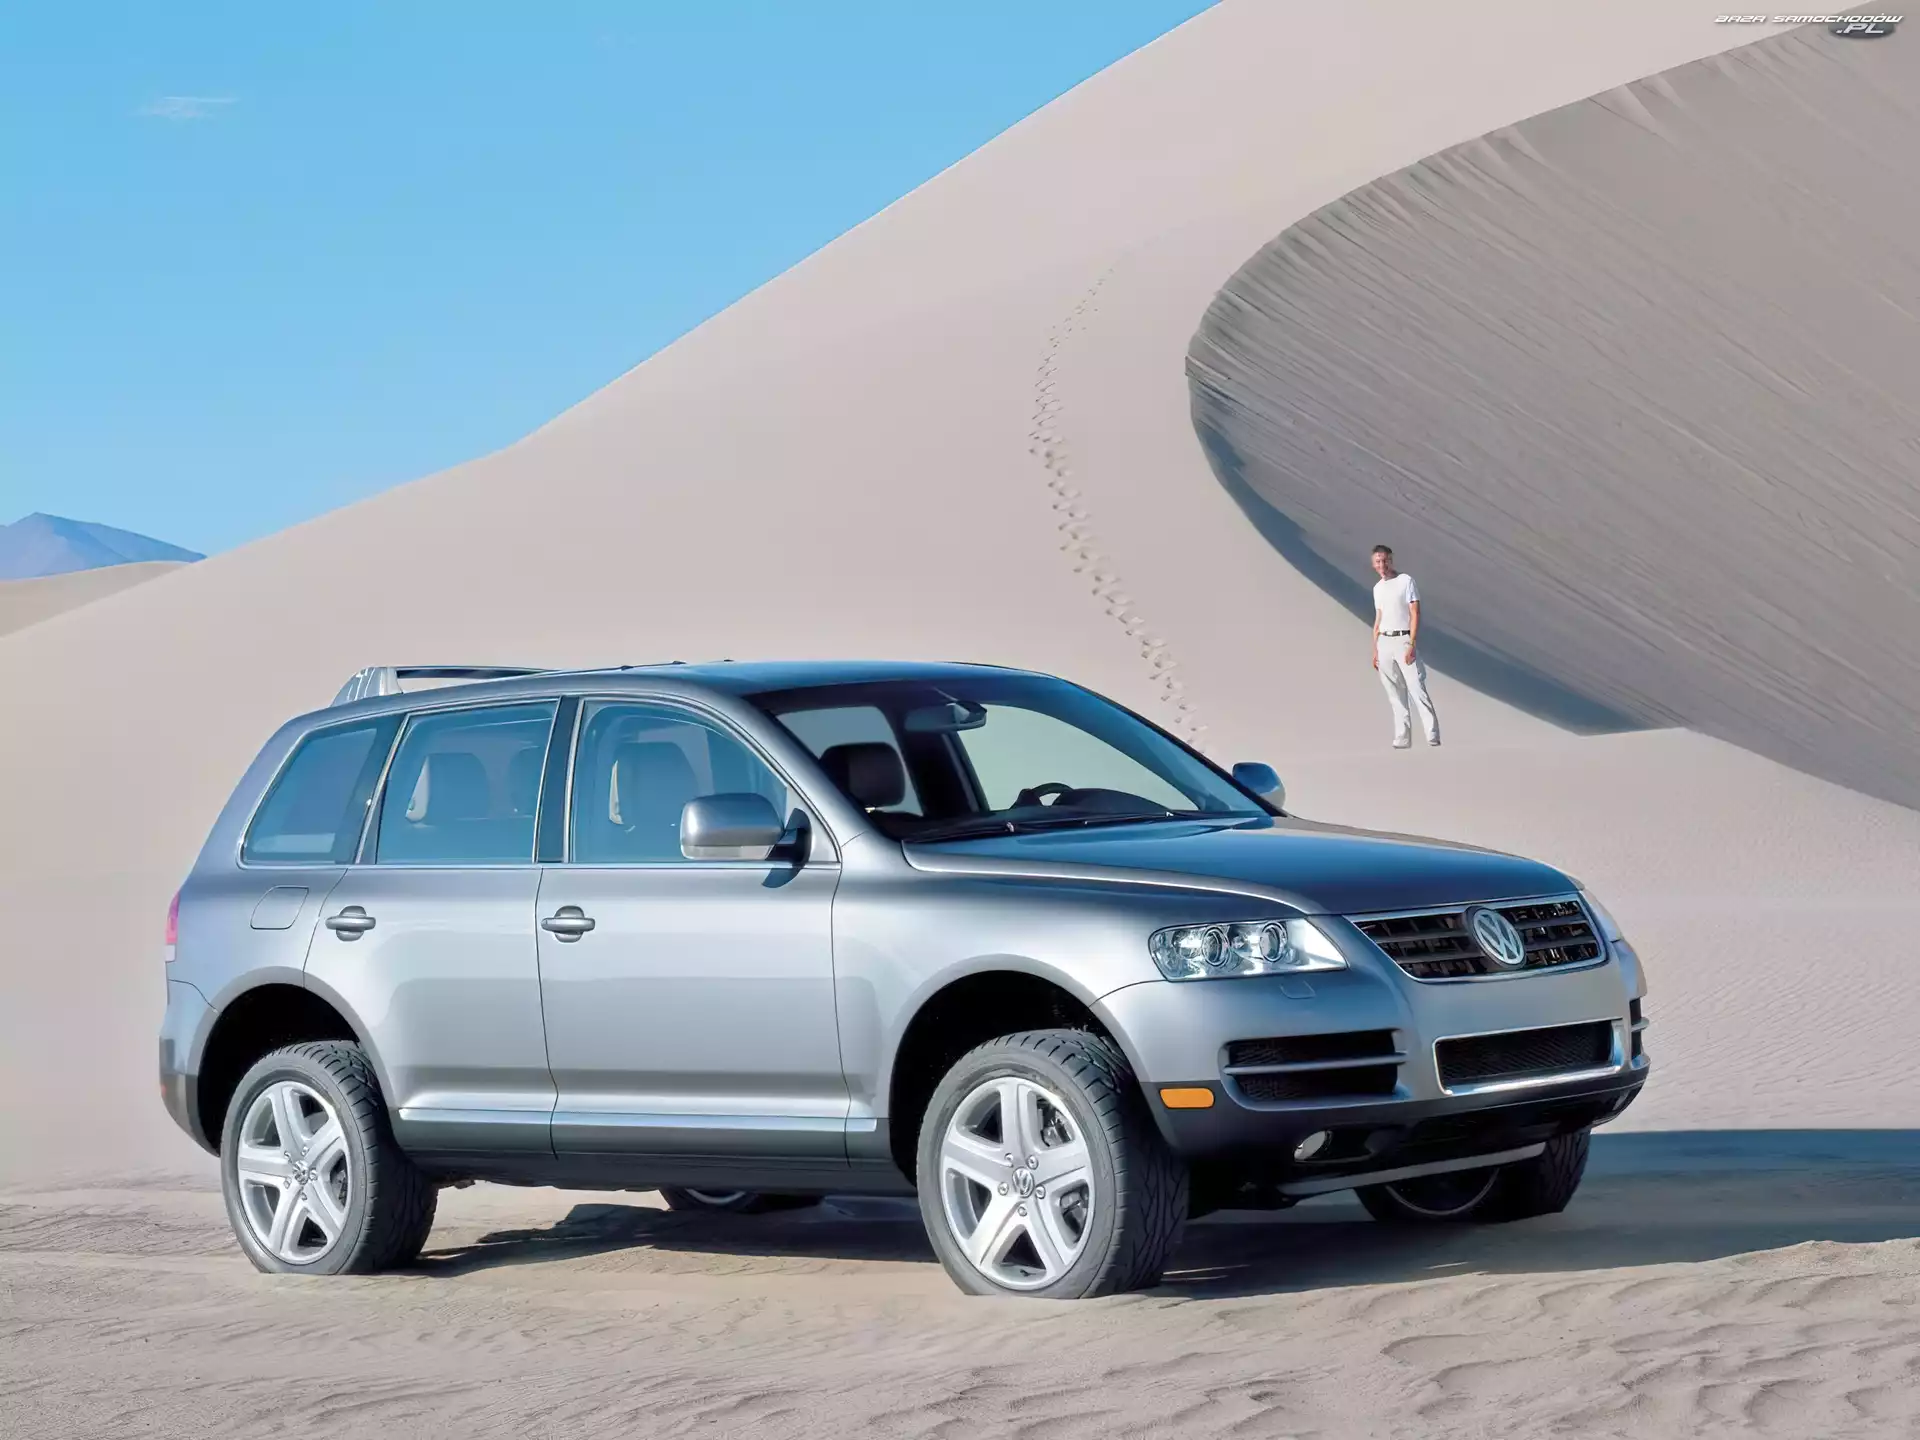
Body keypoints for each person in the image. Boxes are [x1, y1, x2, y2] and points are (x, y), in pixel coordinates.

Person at [1370, 544, 1440, 749]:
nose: (1382, 565)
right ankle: (1402, 737)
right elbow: (1378, 618)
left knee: (1416, 687)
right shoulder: (1377, 588)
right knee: (1394, 692)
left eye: (1384, 560)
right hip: (1384, 641)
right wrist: (1375, 649)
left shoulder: (1405, 581)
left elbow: (1415, 612)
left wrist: (1412, 642)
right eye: (1377, 561)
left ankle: (1432, 734)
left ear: (1391, 560)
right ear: (1373, 564)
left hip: (1403, 639)